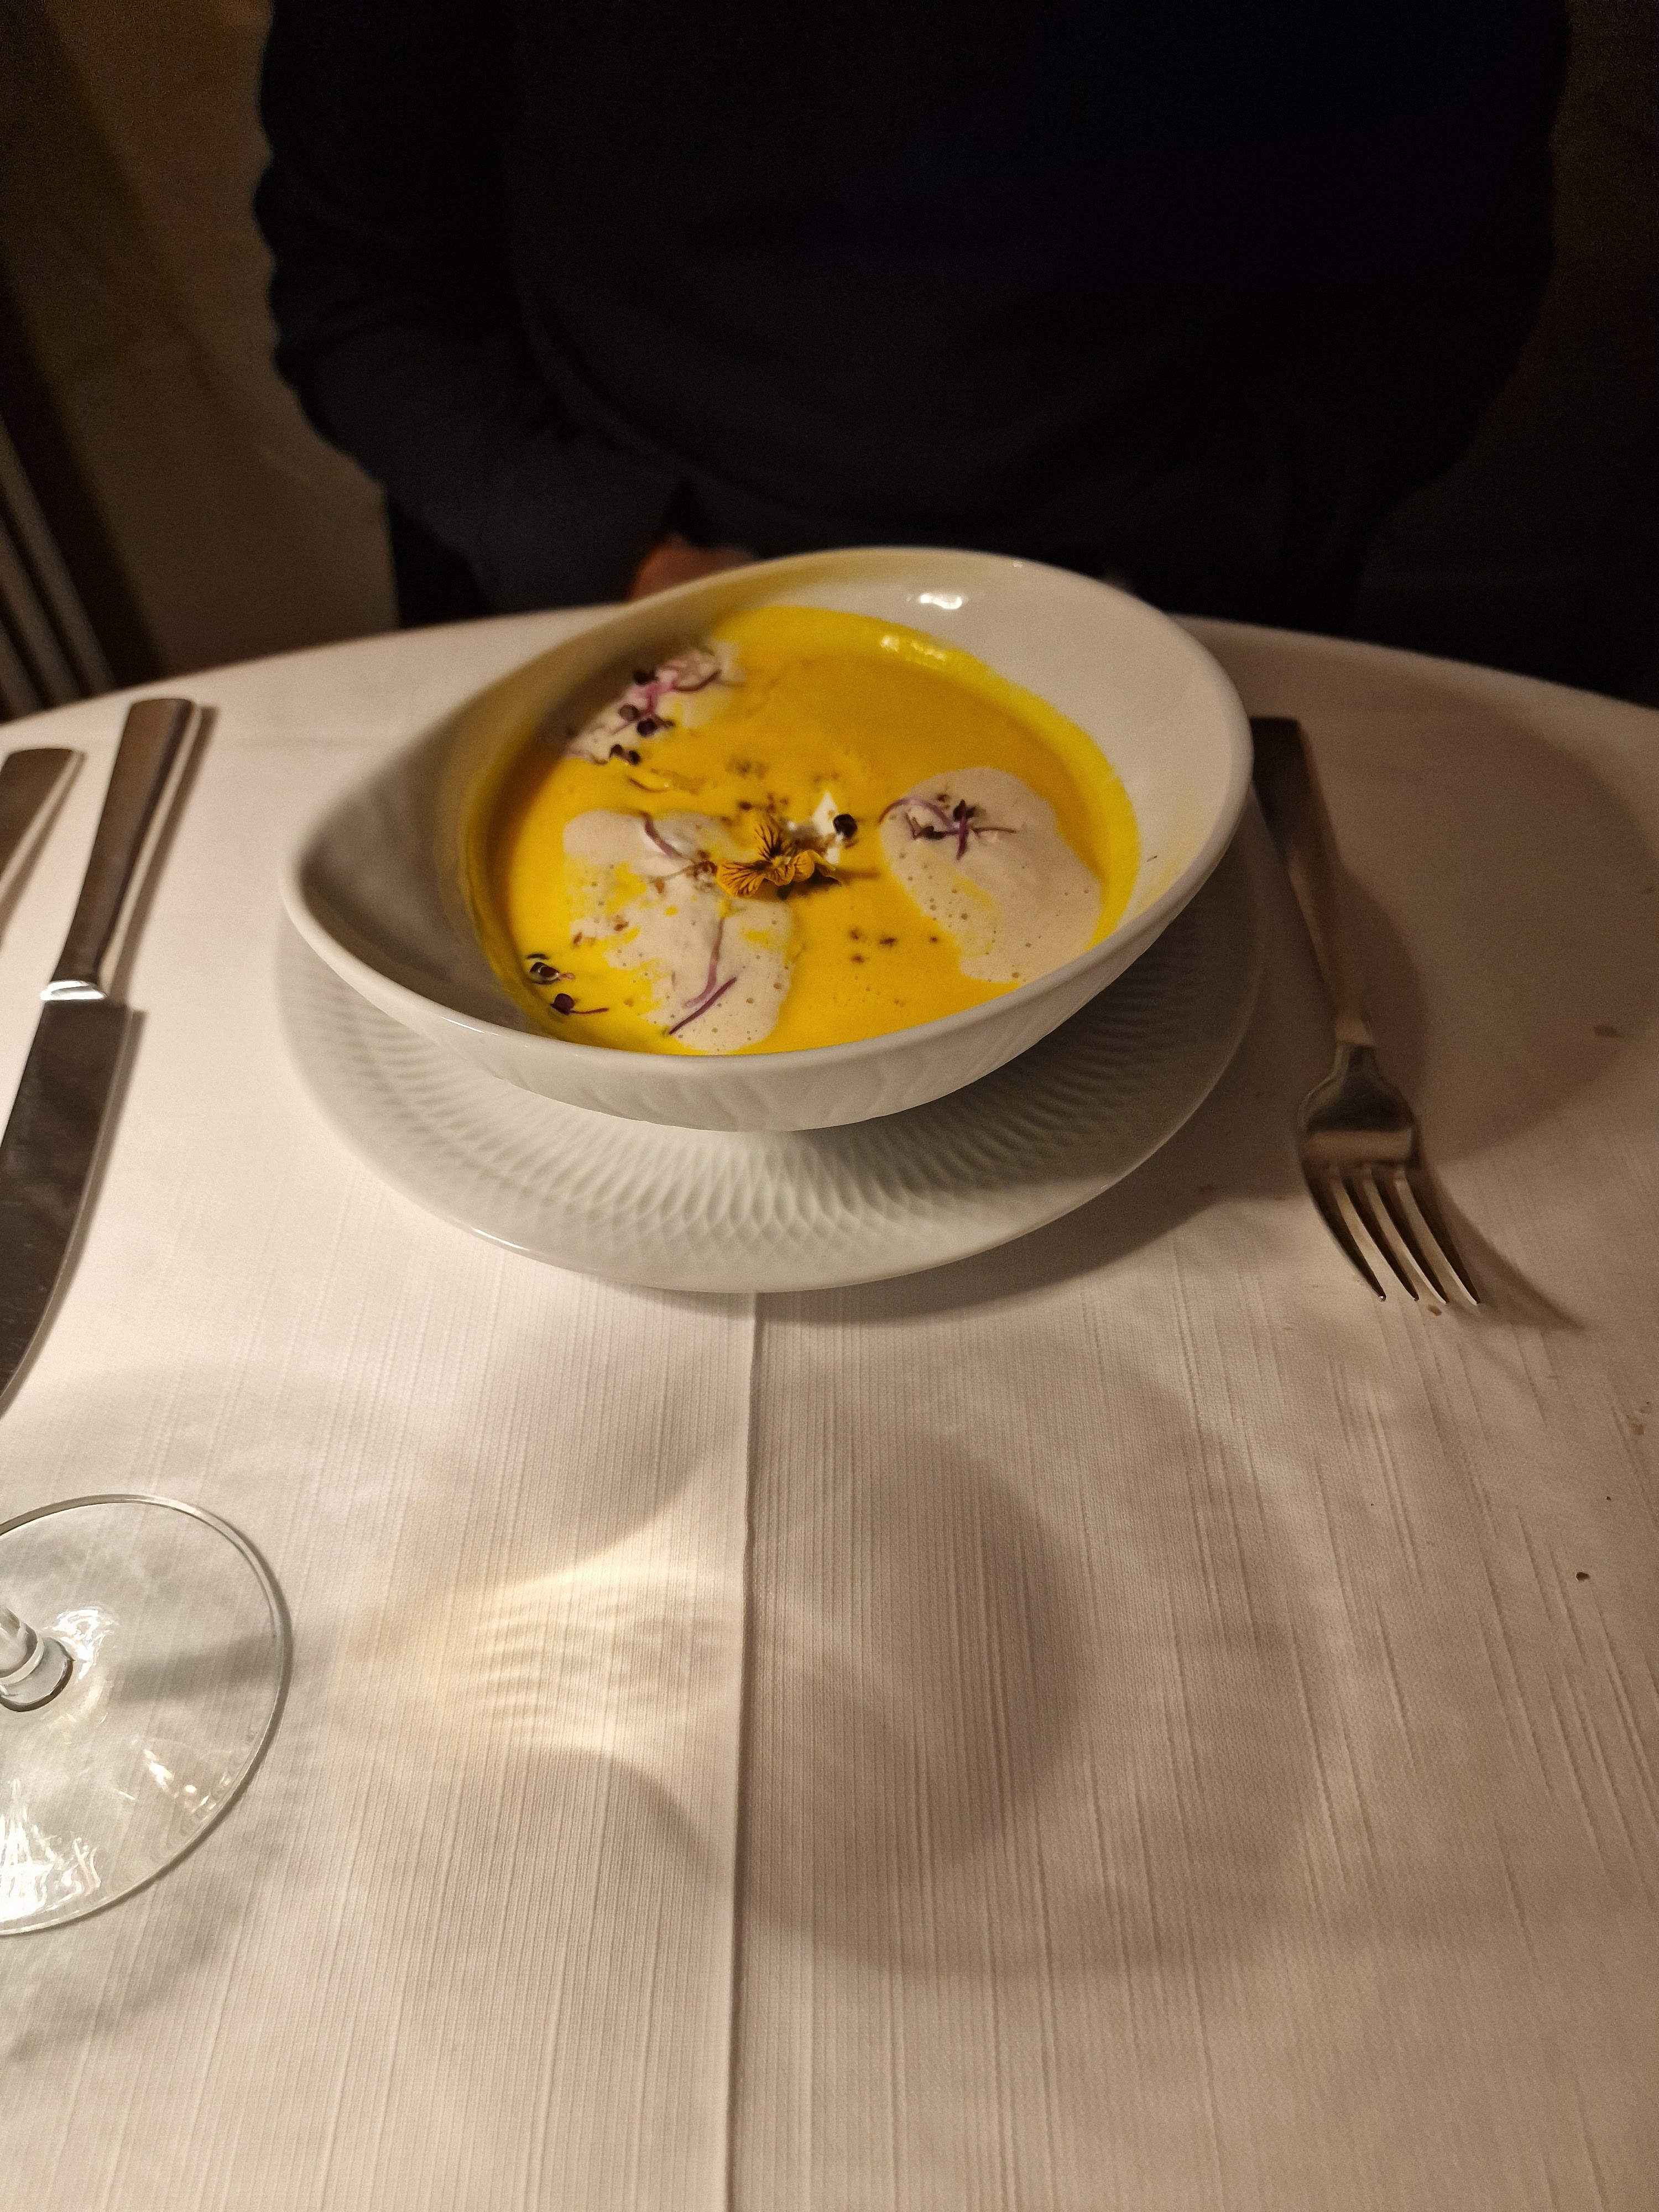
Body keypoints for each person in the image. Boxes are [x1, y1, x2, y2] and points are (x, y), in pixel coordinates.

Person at [256, 0, 1567, 629]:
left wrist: (1213, 537)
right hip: (639, 586)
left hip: (1185, 599)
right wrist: (613, 552)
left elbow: (1440, 282)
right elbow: (359, 279)